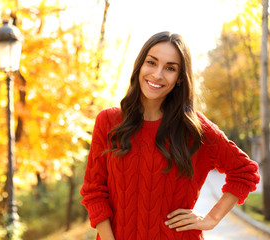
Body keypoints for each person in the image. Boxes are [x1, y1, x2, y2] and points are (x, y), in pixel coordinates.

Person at [80, 31, 260, 240]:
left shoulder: (195, 128)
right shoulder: (108, 121)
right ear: (140, 66)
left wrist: (211, 219)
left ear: (180, 78)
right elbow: (94, 192)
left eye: (170, 68)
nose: (157, 74)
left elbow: (245, 172)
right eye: (152, 63)